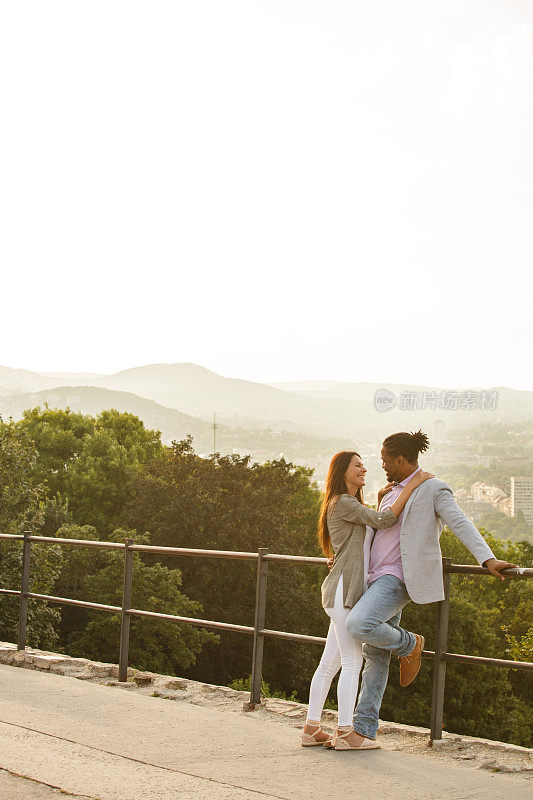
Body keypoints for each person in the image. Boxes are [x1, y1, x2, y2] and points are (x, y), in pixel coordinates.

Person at [342, 430, 517, 747]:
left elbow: (460, 521)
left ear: (400, 459)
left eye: (385, 460)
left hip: (397, 578)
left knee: (359, 623)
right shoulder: (392, 491)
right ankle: (363, 731)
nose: (381, 465)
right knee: (376, 655)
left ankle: (410, 644)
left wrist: (487, 558)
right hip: (374, 576)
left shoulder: (434, 488)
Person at [302, 450, 434, 751]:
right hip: (344, 591)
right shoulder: (344, 502)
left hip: (340, 589)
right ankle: (348, 731)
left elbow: (365, 534)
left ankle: (311, 728)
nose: (364, 468)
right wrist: (411, 486)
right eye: (357, 465)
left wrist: (376, 497)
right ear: (342, 472)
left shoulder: (347, 504)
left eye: (364, 464)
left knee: (329, 663)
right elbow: (386, 520)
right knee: (351, 661)